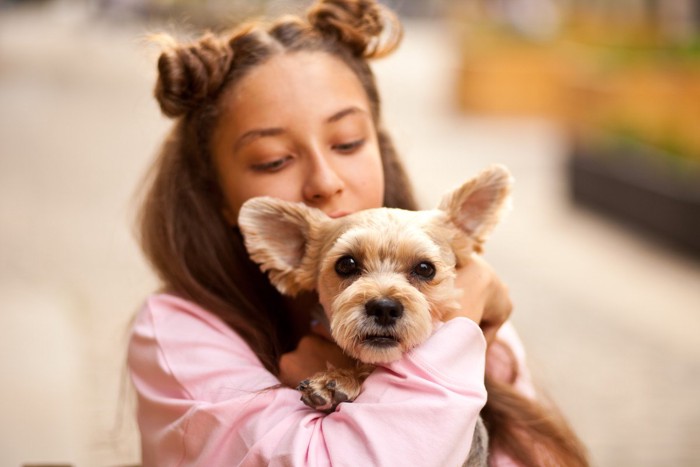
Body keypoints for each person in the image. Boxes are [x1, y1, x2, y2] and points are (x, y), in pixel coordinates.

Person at [127, 0, 589, 465]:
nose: (325, 180)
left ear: (379, 146)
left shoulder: (487, 327)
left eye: (347, 142)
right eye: (273, 159)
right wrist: (459, 333)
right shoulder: (178, 338)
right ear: (220, 195)